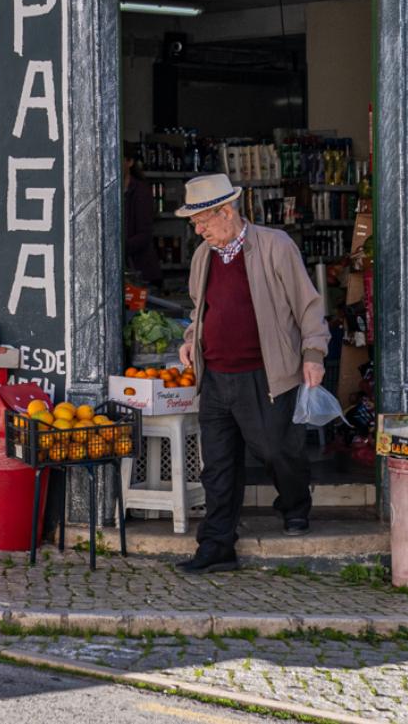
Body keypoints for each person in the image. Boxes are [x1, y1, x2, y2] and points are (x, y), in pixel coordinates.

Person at [174, 173, 328, 573]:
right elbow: (200, 310)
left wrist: (313, 353)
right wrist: (192, 338)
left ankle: (295, 504)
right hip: (217, 376)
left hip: (266, 373)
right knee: (218, 464)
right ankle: (217, 545)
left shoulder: (275, 246)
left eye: (203, 219)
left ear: (227, 212)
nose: (198, 228)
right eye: (194, 222)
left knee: (279, 449)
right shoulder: (203, 256)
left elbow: (308, 305)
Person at [123, 150, 163, 288]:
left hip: (141, 272)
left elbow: (144, 234)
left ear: (129, 162)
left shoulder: (141, 191)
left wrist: (117, 249)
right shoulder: (112, 190)